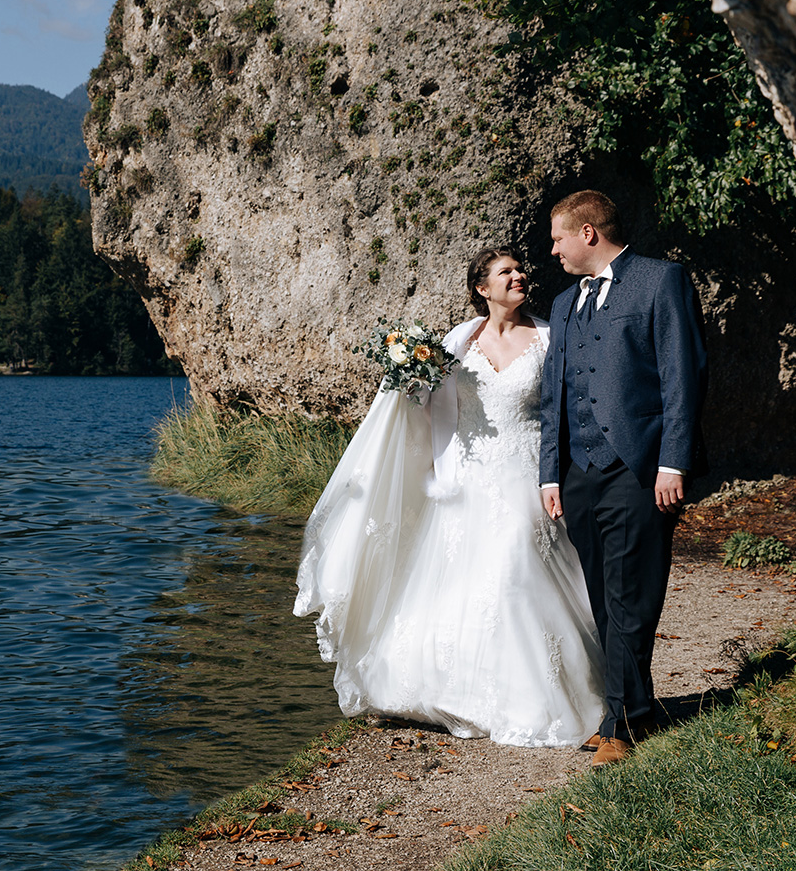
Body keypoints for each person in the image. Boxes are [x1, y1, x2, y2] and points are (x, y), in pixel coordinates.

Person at [294, 248, 605, 747]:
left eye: (520, 269)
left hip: (526, 470)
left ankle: (530, 699)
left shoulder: (550, 338)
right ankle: (453, 692)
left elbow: (566, 411)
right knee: (460, 579)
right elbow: (432, 408)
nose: (519, 276)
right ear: (482, 288)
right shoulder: (459, 341)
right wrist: (407, 386)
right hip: (466, 475)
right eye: (506, 272)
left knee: (515, 564)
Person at [538, 189, 707, 767]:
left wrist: (673, 462)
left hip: (640, 467)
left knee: (632, 594)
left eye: (558, 238)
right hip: (578, 473)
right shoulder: (565, 303)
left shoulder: (661, 281)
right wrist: (551, 474)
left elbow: (683, 376)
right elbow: (553, 396)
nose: (553, 250)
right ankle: (629, 708)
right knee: (604, 600)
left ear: (588, 233)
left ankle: (623, 725)